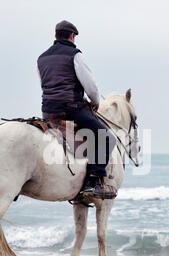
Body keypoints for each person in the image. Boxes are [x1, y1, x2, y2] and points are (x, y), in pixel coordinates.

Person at [37, 20, 117, 199]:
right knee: (106, 137)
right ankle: (94, 181)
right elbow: (91, 85)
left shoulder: (41, 58)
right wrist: (95, 101)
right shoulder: (75, 55)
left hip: (48, 111)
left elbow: (44, 83)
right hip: (70, 109)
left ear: (55, 35)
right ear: (72, 36)